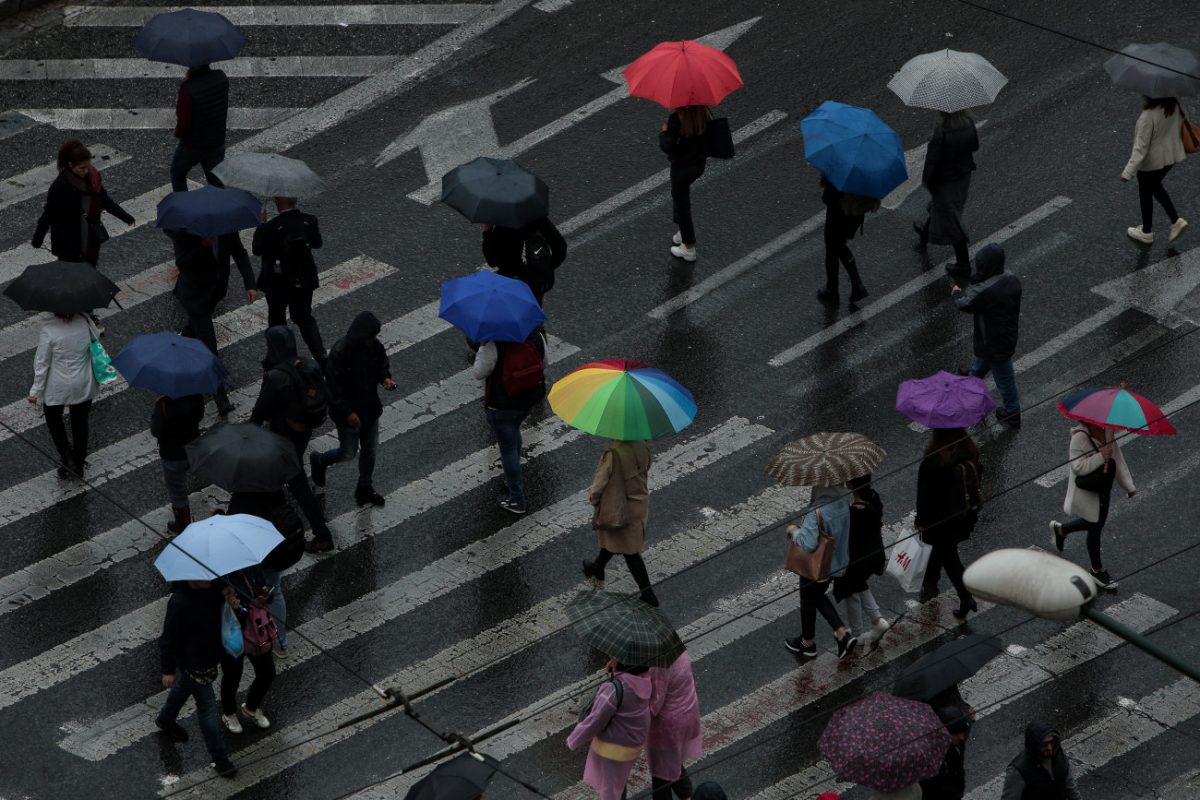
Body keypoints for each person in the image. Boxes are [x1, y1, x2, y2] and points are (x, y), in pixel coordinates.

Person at [249, 325, 335, 553]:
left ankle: (320, 535)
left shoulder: (277, 376)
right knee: (281, 476)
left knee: (296, 484)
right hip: (303, 430)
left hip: (282, 436)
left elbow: (260, 412)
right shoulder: (308, 364)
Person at [310, 312, 396, 507]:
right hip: (348, 416)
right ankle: (320, 460)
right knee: (348, 452)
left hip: (370, 410)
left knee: (370, 450)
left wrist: (385, 378)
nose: (374, 339)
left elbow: (382, 364)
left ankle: (364, 487)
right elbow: (333, 389)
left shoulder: (374, 347)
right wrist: (348, 412)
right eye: (371, 336)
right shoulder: (340, 353)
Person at [167, 229, 255, 417]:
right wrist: (202, 246)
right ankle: (220, 397)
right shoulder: (185, 232)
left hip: (214, 292)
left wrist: (250, 283)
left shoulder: (227, 228)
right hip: (194, 296)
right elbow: (182, 263)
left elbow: (239, 252)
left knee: (194, 329)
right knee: (209, 345)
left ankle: (177, 350)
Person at [155, 579, 236, 778]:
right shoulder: (179, 602)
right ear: (190, 579)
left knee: (183, 686)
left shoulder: (215, 590)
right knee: (207, 708)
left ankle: (166, 719)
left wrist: (230, 602)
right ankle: (219, 758)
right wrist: (168, 670)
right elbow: (168, 639)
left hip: (209, 656)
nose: (208, 578)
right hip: (193, 662)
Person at [1049, 421, 1135, 591]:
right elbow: (1077, 467)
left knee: (1095, 523)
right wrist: (1101, 456)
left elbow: (1116, 461)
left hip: (1103, 488)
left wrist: (1129, 486)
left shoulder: (1108, 433)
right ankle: (1097, 570)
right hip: (1088, 492)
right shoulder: (1079, 438)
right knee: (1095, 526)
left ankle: (1061, 530)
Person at [471, 329, 547, 514]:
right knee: (514, 435)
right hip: (528, 399)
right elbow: (544, 363)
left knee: (507, 449)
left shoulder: (493, 342)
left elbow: (479, 373)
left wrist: (482, 347)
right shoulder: (536, 336)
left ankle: (516, 498)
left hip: (502, 405)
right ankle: (513, 477)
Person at [227, 489, 305, 658]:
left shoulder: (243, 496)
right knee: (274, 591)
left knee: (253, 597)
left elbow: (232, 525)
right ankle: (280, 643)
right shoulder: (271, 479)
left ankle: (258, 639)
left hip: (260, 554)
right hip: (278, 545)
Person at [31, 139, 134, 265]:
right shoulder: (59, 187)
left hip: (89, 240)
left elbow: (106, 201)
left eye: (88, 166)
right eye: (82, 168)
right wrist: (38, 240)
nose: (86, 171)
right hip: (68, 245)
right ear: (70, 165)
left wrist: (126, 217)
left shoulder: (92, 179)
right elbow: (48, 215)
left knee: (89, 275)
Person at [952, 243, 1022, 429]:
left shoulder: (986, 291)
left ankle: (1013, 412)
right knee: (983, 361)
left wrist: (957, 294)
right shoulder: (1011, 279)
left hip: (992, 341)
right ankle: (971, 379)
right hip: (1005, 335)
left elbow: (967, 304)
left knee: (1004, 378)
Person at [783, 486, 858, 659]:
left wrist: (793, 530)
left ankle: (808, 643)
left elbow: (807, 544)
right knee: (816, 596)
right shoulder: (843, 504)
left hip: (815, 566)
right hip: (835, 564)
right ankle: (840, 634)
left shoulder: (816, 512)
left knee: (808, 599)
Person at [582, 439, 658, 606]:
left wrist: (594, 499)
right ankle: (597, 566)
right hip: (639, 503)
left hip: (619, 506)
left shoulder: (613, 454)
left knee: (630, 553)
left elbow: (599, 484)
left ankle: (648, 594)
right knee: (617, 540)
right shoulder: (642, 445)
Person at [252, 197, 326, 367]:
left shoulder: (271, 227)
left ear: (278, 203)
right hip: (304, 280)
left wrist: (260, 225)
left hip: (278, 283)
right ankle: (320, 354)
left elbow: (257, 249)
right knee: (304, 317)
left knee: (277, 322)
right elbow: (317, 243)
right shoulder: (310, 220)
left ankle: (282, 361)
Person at [916, 428, 982, 619]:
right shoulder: (969, 451)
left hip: (938, 521)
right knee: (943, 549)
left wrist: (920, 521)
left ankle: (965, 596)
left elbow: (924, 495)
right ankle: (931, 580)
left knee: (949, 556)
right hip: (961, 516)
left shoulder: (933, 460)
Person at [566, 658, 653, 800]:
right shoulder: (645, 682)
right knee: (619, 780)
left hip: (612, 749)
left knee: (610, 789)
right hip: (632, 745)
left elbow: (596, 719)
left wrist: (573, 739)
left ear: (623, 663)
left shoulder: (613, 689)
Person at [27, 312, 98, 478]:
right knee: (80, 422)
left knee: (53, 419)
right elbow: (96, 339)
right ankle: (79, 461)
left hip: (57, 385)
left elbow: (42, 363)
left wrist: (35, 391)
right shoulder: (85, 321)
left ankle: (67, 458)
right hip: (83, 382)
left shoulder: (49, 329)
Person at [914, 110, 979, 277]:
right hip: (963, 177)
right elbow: (975, 146)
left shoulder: (941, 133)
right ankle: (925, 233)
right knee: (943, 209)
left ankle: (963, 264)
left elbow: (932, 162)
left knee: (950, 218)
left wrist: (927, 182)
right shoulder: (969, 125)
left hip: (945, 181)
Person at [833, 474, 890, 649]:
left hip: (858, 559)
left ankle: (856, 633)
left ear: (851, 483)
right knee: (859, 585)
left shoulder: (855, 512)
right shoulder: (873, 498)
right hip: (873, 553)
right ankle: (877, 619)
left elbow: (847, 539)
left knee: (850, 589)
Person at [1122, 96, 1187, 244]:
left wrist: (1128, 172)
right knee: (1154, 186)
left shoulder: (1147, 116)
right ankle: (1171, 222)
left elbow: (1140, 149)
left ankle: (1148, 231)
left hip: (1152, 163)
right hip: (1170, 158)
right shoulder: (1173, 104)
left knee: (1146, 191)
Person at [219, 567, 276, 733]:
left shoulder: (253, 568)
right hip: (233, 635)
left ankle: (251, 707)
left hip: (256, 631)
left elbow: (266, 590)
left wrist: (265, 595)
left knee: (267, 672)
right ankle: (229, 713)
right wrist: (234, 607)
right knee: (233, 675)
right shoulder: (220, 579)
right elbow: (220, 613)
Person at [647, 651, 702, 800]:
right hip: (687, 712)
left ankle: (685, 794)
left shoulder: (659, 664)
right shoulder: (678, 650)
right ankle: (686, 795)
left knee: (660, 775)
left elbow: (654, 706)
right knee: (672, 762)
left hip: (668, 727)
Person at [660, 105, 711, 262]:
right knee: (679, 196)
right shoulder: (704, 114)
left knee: (682, 203)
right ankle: (682, 231)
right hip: (697, 165)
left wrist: (663, 132)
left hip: (681, 168)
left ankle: (688, 247)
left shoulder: (677, 119)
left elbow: (668, 146)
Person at [150, 393, 205, 533]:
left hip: (173, 454)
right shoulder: (196, 396)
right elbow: (199, 416)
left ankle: (182, 523)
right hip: (193, 449)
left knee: (177, 490)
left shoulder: (163, 403)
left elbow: (155, 431)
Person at [481, 218, 567, 306]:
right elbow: (560, 248)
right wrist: (546, 268)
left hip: (511, 284)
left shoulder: (503, 227)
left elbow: (492, 260)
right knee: (533, 314)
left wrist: (487, 232)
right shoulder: (538, 218)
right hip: (536, 283)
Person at [817, 176, 874, 305]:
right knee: (839, 245)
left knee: (832, 247)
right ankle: (856, 285)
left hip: (839, 211)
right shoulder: (865, 166)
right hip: (856, 211)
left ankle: (833, 290)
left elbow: (828, 197)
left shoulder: (840, 165)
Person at [172, 64, 229, 191]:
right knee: (216, 181)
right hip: (217, 141)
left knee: (177, 173)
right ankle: (219, 208)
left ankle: (182, 204)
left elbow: (183, 120)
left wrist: (178, 134)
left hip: (193, 145)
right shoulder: (221, 77)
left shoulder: (188, 88)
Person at [1000, 721, 1083, 800]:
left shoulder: (1059, 755)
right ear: (1034, 745)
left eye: (1051, 742)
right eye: (1044, 744)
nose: (1049, 748)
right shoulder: (1018, 771)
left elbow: (1070, 785)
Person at [920, 706, 971, 800]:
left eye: (962, 732)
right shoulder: (929, 755)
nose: (962, 738)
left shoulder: (957, 745)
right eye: (957, 734)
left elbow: (959, 770)